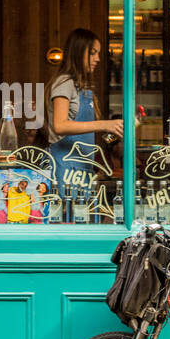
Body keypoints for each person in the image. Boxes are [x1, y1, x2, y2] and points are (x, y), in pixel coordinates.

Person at [46, 29, 123, 207]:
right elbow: (60, 125)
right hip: (66, 168)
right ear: (79, 52)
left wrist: (112, 134)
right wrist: (105, 124)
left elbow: (87, 132)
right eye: (93, 53)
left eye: (98, 54)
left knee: (81, 219)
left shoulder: (81, 87)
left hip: (83, 169)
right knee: (69, 222)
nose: (97, 59)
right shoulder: (64, 82)